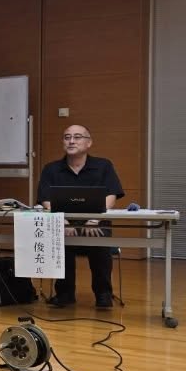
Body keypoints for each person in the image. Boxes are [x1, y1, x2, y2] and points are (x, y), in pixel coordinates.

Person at [37, 124, 124, 309]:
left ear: (88, 142)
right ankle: (65, 294)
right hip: (63, 223)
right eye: (67, 137)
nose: (71, 141)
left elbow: (111, 195)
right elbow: (45, 199)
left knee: (99, 241)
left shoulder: (103, 166)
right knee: (59, 240)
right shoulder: (51, 169)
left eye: (77, 137)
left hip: (96, 222)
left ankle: (103, 294)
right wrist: (61, 220)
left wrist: (95, 219)